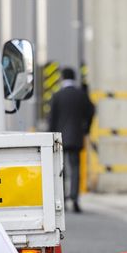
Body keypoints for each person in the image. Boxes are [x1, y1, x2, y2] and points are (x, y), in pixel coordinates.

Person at [48, 67, 95, 213]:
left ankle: (62, 199)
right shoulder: (81, 95)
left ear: (62, 78)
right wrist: (86, 127)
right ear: (74, 78)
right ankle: (74, 198)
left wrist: (51, 136)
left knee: (61, 169)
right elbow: (91, 111)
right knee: (75, 167)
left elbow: (51, 119)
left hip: (60, 138)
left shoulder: (57, 95)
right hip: (76, 136)